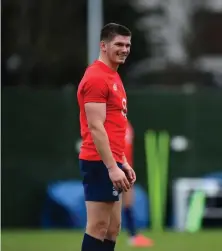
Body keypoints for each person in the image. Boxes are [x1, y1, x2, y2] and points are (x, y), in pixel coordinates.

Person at [77, 23, 136, 251]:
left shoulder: (113, 76)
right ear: (103, 45)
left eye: (128, 44)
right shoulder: (96, 78)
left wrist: (123, 161)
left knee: (113, 228)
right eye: (119, 44)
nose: (125, 49)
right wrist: (112, 166)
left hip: (112, 159)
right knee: (98, 226)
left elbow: (114, 126)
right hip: (98, 160)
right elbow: (96, 126)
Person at [122, 121, 154, 247]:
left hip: (125, 167)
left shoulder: (126, 123)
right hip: (114, 166)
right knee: (109, 204)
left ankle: (132, 235)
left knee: (128, 200)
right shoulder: (110, 120)